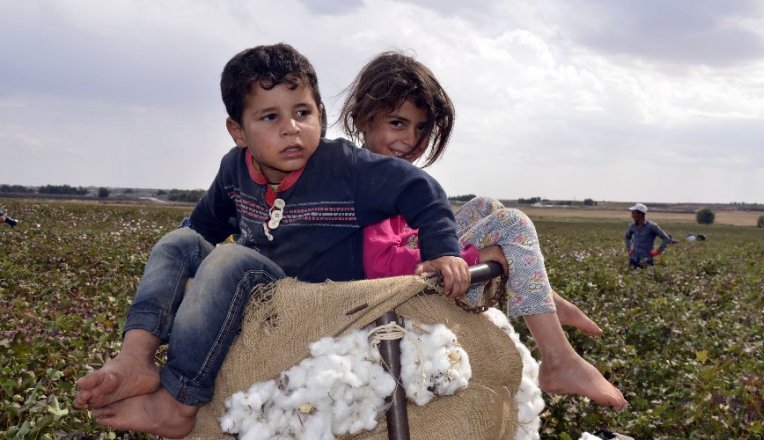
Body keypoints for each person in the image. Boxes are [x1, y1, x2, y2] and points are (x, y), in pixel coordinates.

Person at [74, 43, 470, 438]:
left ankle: (178, 402)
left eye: (302, 113)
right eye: (269, 116)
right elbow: (203, 226)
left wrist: (442, 252)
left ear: (321, 114)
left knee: (229, 258)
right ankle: (135, 359)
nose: (291, 128)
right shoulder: (234, 170)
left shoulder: (346, 168)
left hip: (310, 301)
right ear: (238, 131)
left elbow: (422, 190)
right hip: (250, 291)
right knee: (178, 242)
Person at [339, 51, 627, 410]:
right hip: (397, 292)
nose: (411, 140)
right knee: (514, 223)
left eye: (421, 128)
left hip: (411, 273)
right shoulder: (361, 180)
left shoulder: (387, 173)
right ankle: (557, 359)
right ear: (362, 120)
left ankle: (541, 296)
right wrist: (471, 258)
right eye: (397, 124)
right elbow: (380, 263)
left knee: (485, 207)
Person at [624, 203, 671, 269]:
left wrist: (658, 251)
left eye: (634, 213)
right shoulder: (632, 226)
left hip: (646, 260)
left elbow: (666, 238)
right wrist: (629, 249)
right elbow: (627, 237)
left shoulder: (652, 226)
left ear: (640, 214)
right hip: (634, 259)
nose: (632, 216)